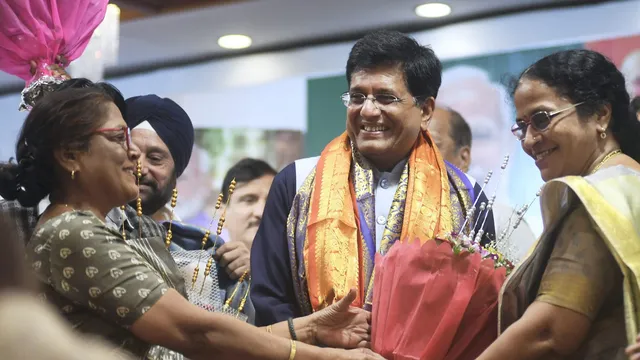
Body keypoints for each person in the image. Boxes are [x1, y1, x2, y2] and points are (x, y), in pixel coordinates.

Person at [0, 81, 383, 360]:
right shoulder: (72, 230)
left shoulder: (127, 231)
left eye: (155, 155)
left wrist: (310, 328)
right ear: (70, 155)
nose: (134, 157)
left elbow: (193, 343)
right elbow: (195, 333)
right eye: (120, 138)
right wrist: (325, 357)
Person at [250, 30, 496, 326]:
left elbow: (481, 307)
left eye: (385, 98)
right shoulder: (296, 182)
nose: (367, 111)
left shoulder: (466, 196)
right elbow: (268, 298)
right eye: (357, 97)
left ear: (426, 110)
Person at [477, 49, 640, 359]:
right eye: (522, 126)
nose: (528, 140)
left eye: (541, 119)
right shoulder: (630, 179)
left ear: (600, 114)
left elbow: (548, 332)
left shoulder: (601, 195)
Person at [428, 106, 538, 260]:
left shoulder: (501, 221)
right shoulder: (393, 216)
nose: (418, 156)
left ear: (463, 158)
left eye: (429, 145)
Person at [220, 158, 276, 250]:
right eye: (249, 200)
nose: (261, 212)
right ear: (223, 213)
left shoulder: (303, 262)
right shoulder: (200, 263)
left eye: (272, 201)